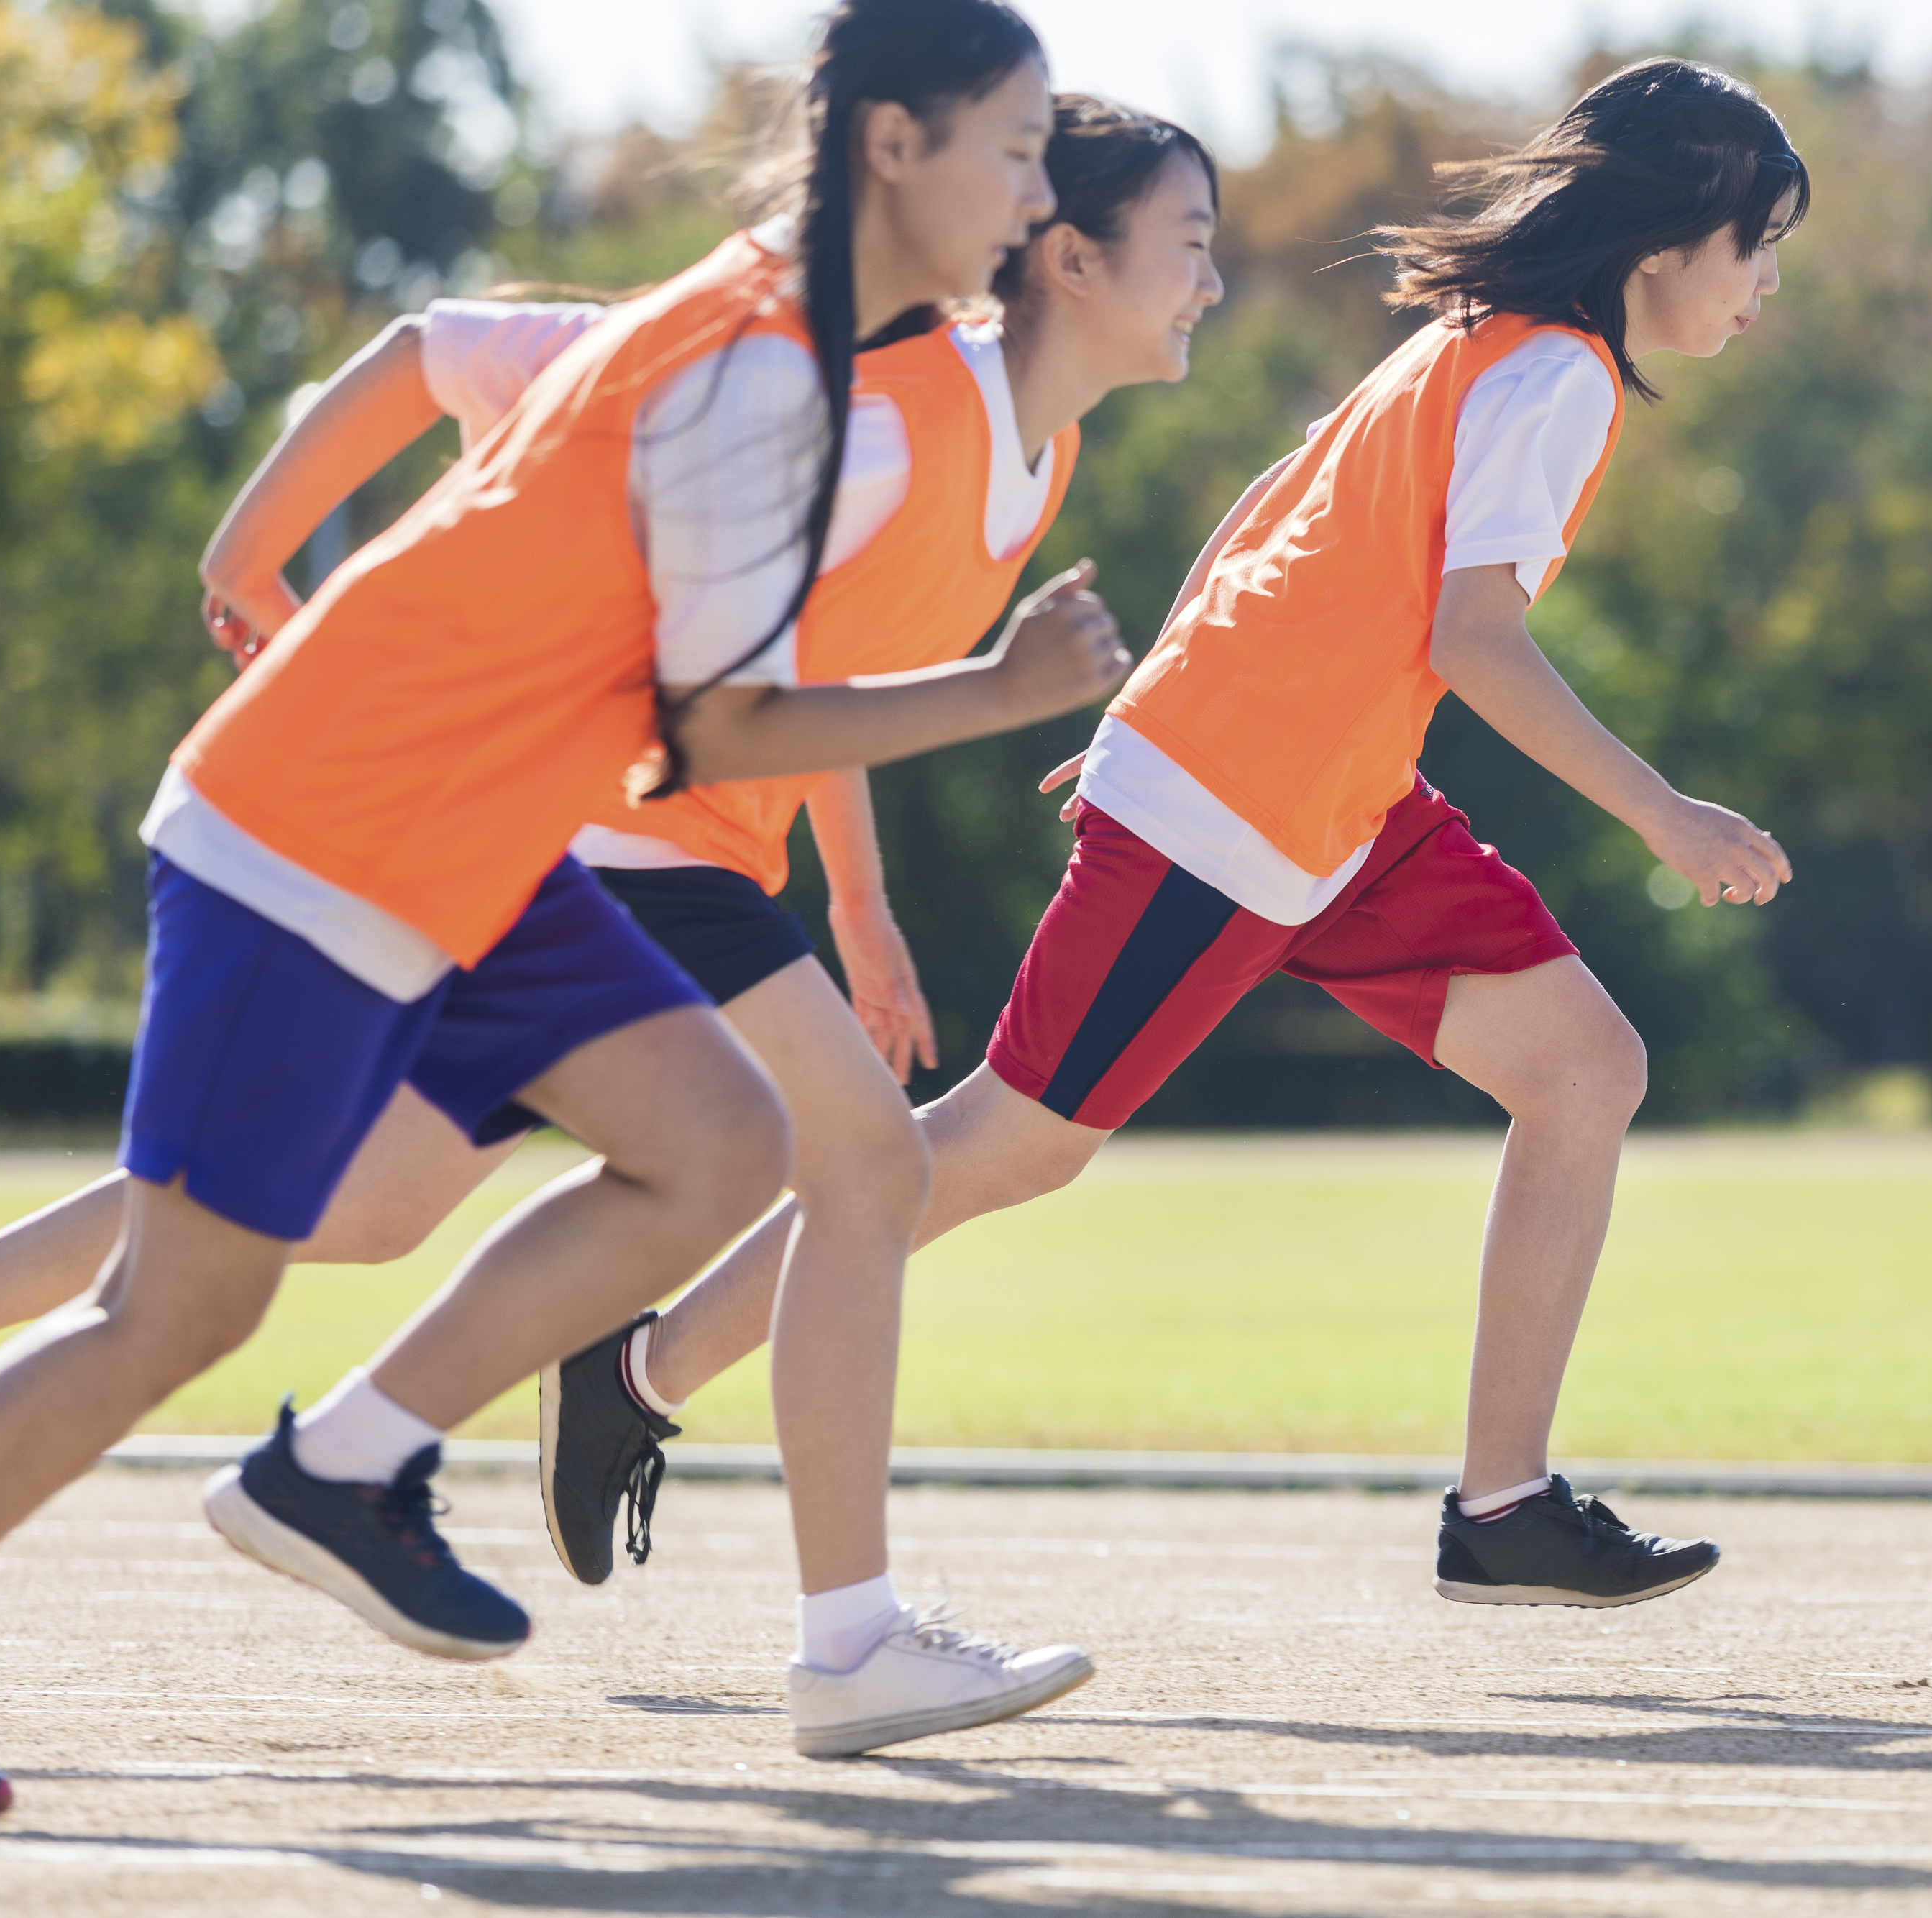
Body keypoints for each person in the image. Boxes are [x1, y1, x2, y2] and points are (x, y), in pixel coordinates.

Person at [0, 0, 1132, 1762]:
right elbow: (714, 725)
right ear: (894, 145)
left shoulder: (789, 332)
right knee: (183, 1305)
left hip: (475, 843)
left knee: (721, 1143)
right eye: (1015, 144)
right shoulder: (768, 367)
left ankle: (350, 1463)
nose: (1035, 189)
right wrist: (1002, 692)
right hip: (326, 819)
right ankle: (346, 1467)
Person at [552, 55, 1808, 1610]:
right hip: (1236, 804)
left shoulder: (1477, 345)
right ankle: (638, 1365)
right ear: (1665, 243)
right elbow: (1473, 636)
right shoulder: (1550, 373)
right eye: (1758, 242)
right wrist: (1665, 814)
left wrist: (1148, 698)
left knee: (1583, 1067)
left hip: (1332, 807)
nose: (1764, 281)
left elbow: (1267, 507)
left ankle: (1503, 1503)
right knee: (1004, 1145)